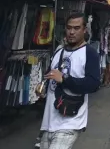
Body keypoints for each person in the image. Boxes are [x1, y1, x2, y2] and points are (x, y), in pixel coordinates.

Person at [39, 12, 100, 149]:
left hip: (70, 121)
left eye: (76, 28)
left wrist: (65, 79)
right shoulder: (59, 51)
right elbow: (51, 76)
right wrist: (43, 88)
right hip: (49, 121)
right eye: (69, 28)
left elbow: (94, 85)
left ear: (84, 30)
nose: (72, 32)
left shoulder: (89, 53)